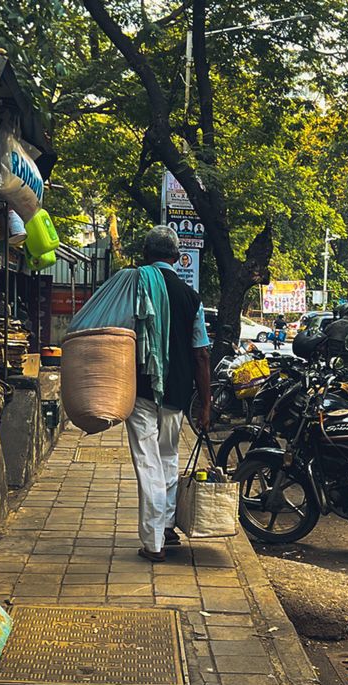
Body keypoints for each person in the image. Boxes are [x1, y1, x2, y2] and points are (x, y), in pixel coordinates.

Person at [126, 225, 211, 562]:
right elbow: (201, 353)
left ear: (147, 256)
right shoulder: (192, 298)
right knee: (168, 459)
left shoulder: (135, 285)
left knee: (148, 463)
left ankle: (154, 542)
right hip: (176, 392)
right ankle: (167, 527)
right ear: (177, 258)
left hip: (142, 387)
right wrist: (206, 404)